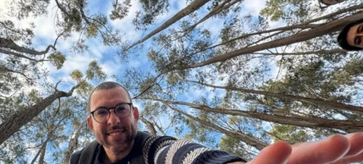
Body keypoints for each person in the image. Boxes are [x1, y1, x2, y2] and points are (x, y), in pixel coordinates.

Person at [71, 81, 363, 164]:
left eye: (121, 108)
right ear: (90, 122)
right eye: (102, 112)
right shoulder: (80, 160)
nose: (113, 119)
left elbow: (177, 153)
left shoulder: (151, 149)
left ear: (135, 114)